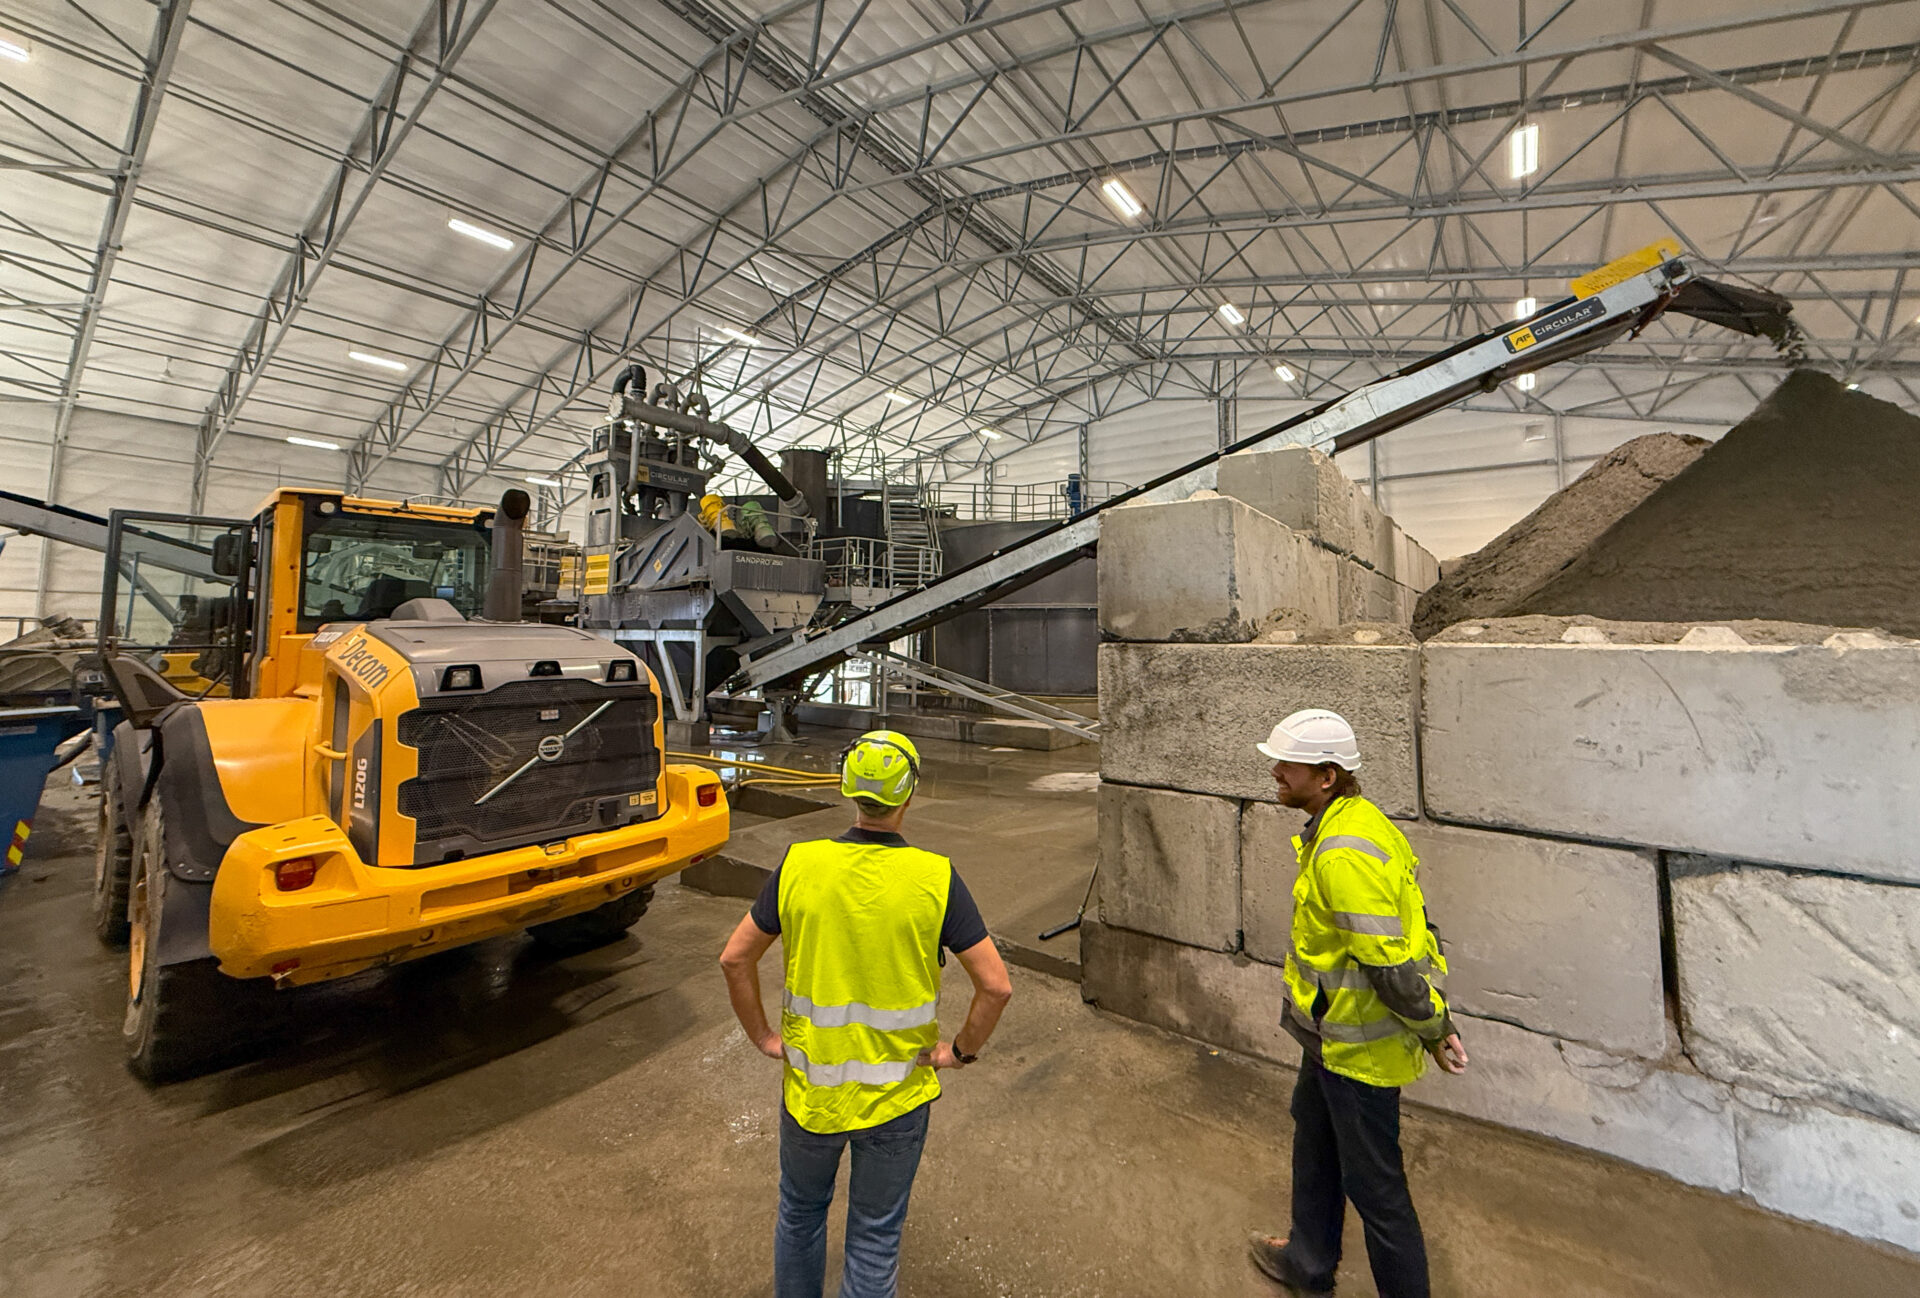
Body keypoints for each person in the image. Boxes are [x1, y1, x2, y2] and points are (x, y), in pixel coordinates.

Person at [719, 730, 1013, 1298]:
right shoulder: (935, 878)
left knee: (801, 1214)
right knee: (875, 1237)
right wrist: (959, 1052)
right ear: (911, 794)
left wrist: (763, 1037)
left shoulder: (800, 864)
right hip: (896, 1096)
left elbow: (735, 959)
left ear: (847, 788)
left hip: (812, 1092)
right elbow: (996, 987)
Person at [1247, 709, 1468, 1298]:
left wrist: (1434, 1026)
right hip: (1329, 1036)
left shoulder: (1342, 853)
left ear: (1326, 776)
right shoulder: (1351, 822)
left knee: (1377, 1191)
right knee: (1314, 1142)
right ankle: (1308, 1263)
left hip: (1359, 1048)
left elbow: (1387, 963)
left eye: (1288, 765)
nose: (1276, 772)